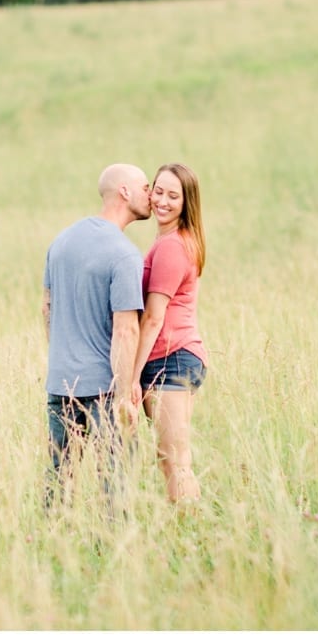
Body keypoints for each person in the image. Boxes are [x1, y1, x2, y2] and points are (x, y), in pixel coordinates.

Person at [42, 162, 152, 509]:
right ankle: (113, 555)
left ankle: (50, 550)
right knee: (115, 488)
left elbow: (47, 309)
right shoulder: (124, 254)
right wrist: (123, 396)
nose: (151, 195)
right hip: (104, 390)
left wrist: (64, 356)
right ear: (124, 192)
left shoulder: (61, 241)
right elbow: (125, 328)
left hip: (60, 384)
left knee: (58, 484)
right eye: (146, 187)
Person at [131, 162, 210, 504]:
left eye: (172, 195)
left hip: (170, 358)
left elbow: (153, 317)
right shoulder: (171, 241)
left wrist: (130, 376)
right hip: (176, 357)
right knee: (172, 458)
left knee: (174, 460)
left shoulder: (171, 247)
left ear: (186, 202)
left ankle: (190, 531)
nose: (162, 201)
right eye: (158, 191)